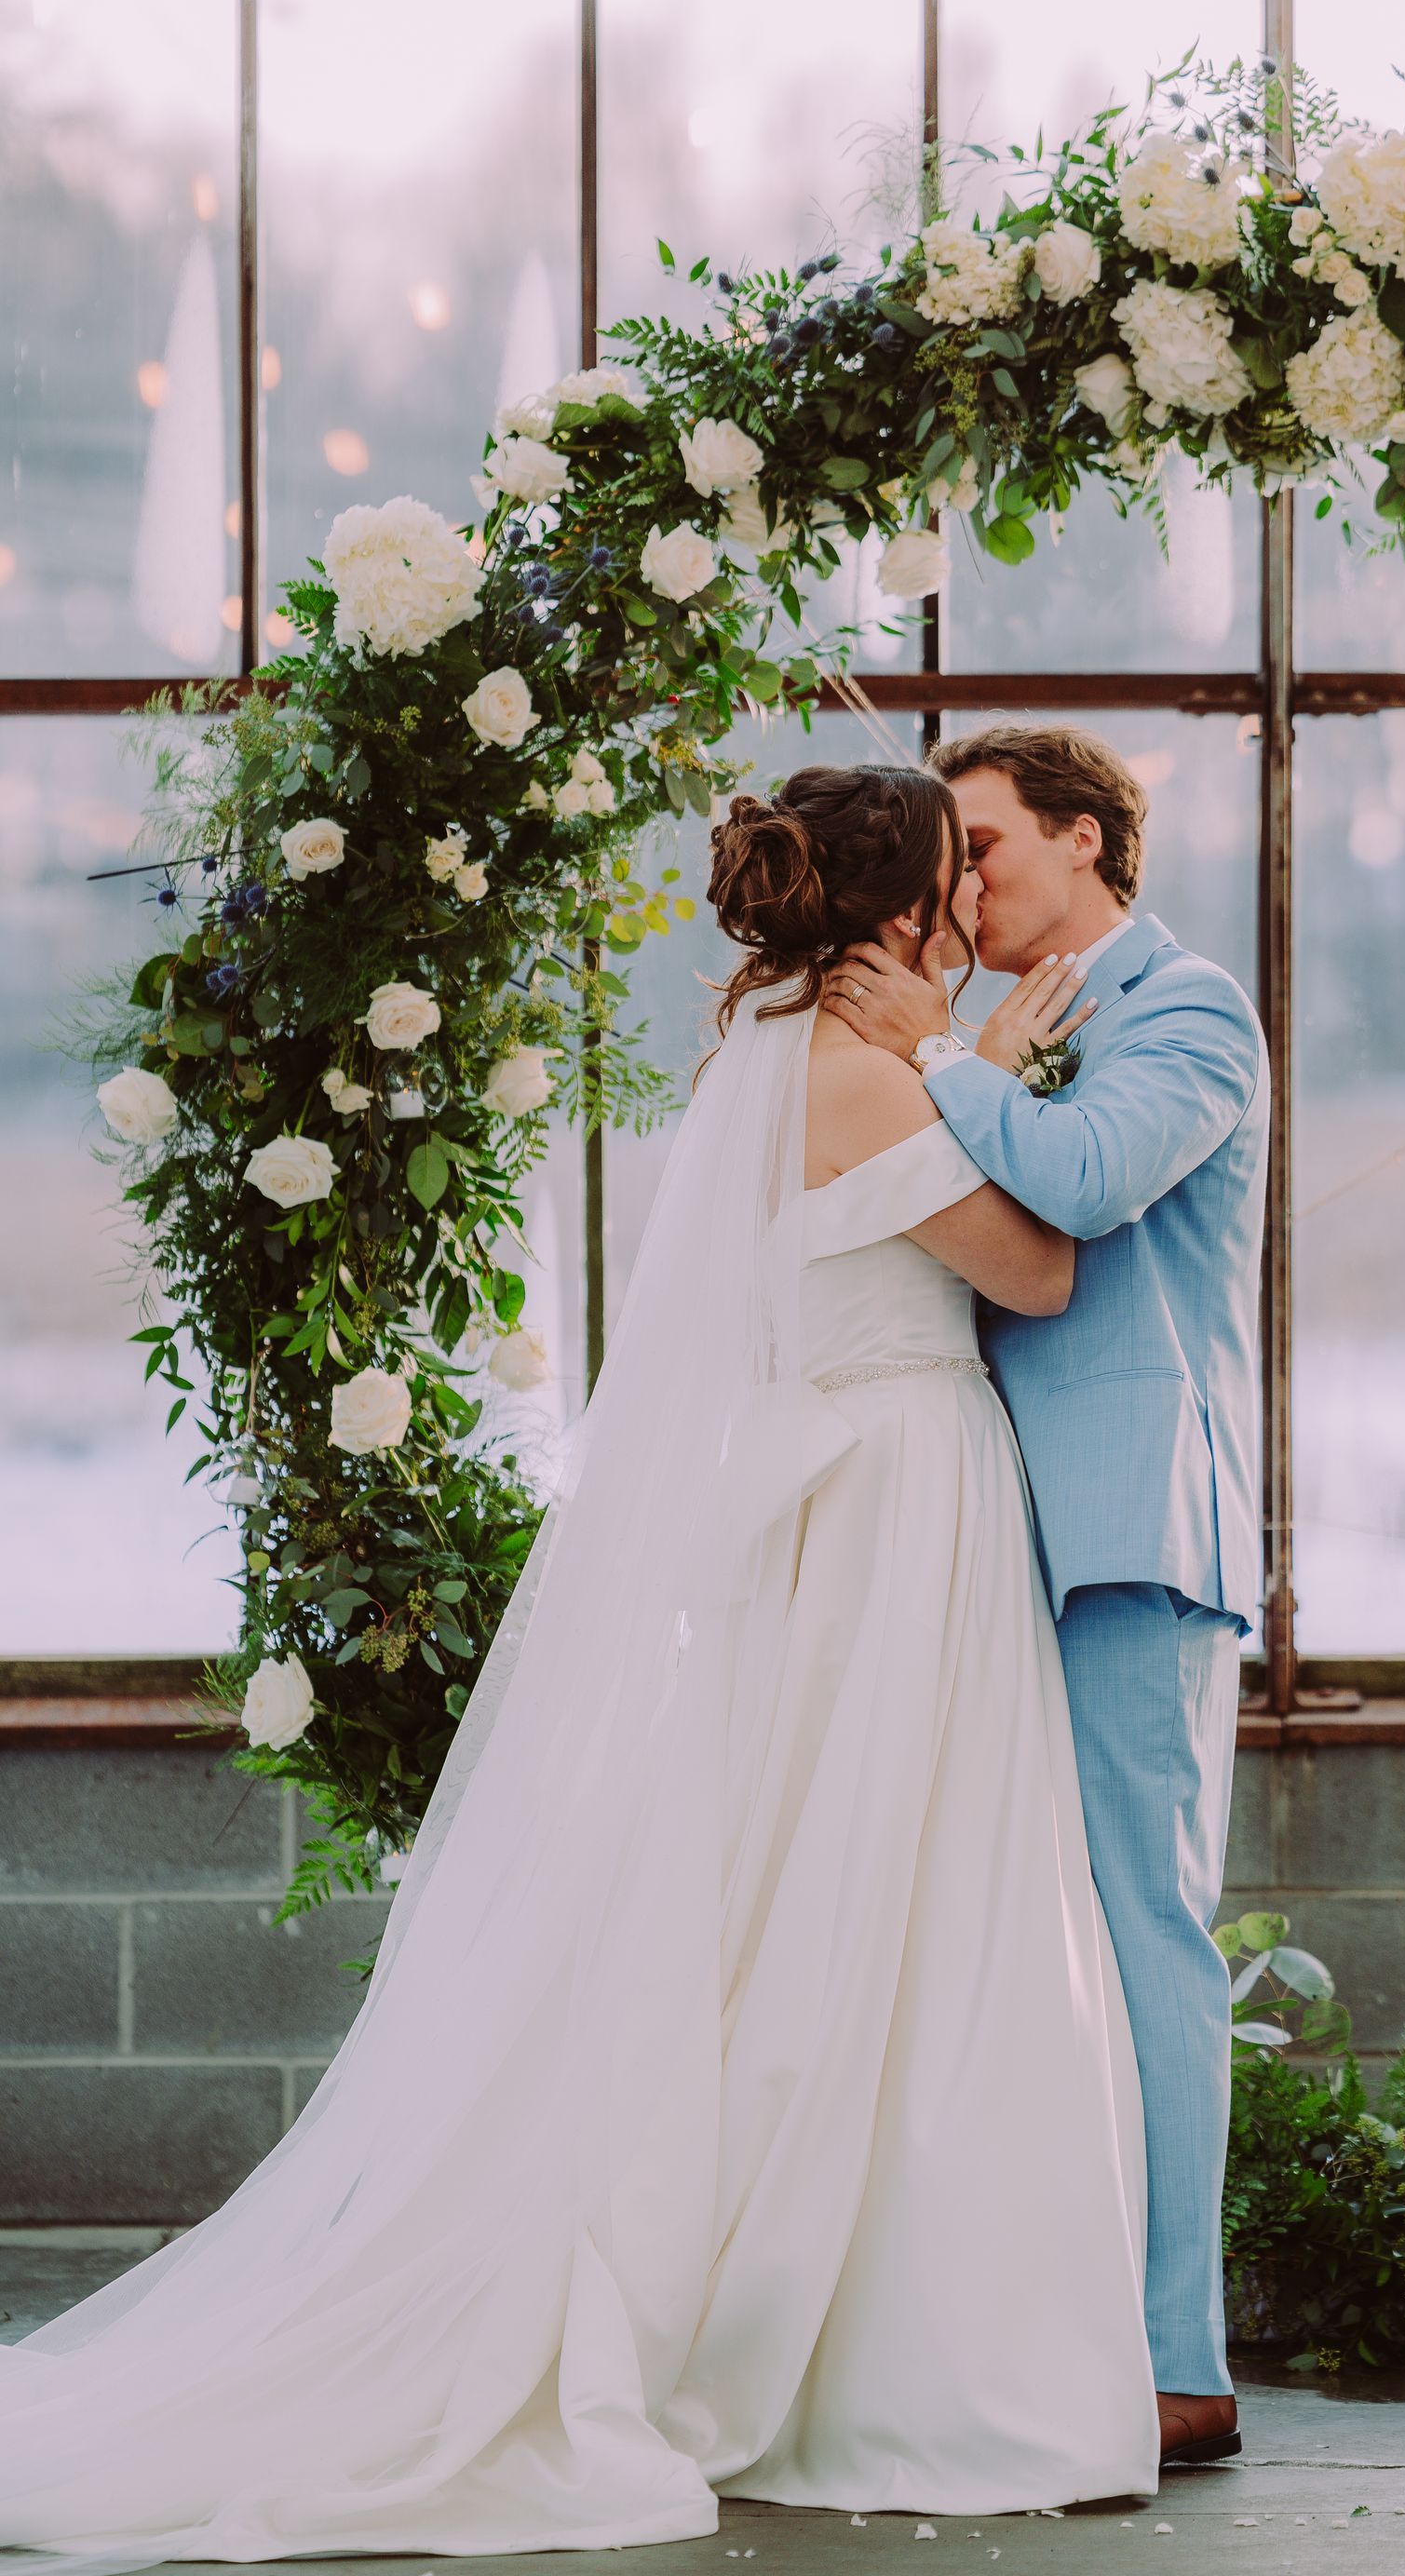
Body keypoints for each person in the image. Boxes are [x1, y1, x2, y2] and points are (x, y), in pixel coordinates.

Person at [0, 762, 1160, 2564]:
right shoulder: (871, 1066)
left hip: (844, 1507)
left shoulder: (755, 1052)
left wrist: (957, 1060)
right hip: (896, 1499)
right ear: (901, 904)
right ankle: (875, 2347)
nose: (971, 897)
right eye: (955, 868)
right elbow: (1035, 1275)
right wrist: (973, 1064)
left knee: (834, 1891)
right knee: (902, 1889)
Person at [823, 722, 1268, 2470]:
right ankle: (1034, 2327)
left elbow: (1082, 1185)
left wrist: (935, 1050)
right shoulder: (994, 1031)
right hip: (991, 1528)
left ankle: (1179, 2360)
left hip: (1132, 1530)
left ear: (1087, 839)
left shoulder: (1190, 1010)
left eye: (988, 843)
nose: (963, 879)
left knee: (1146, 1927)